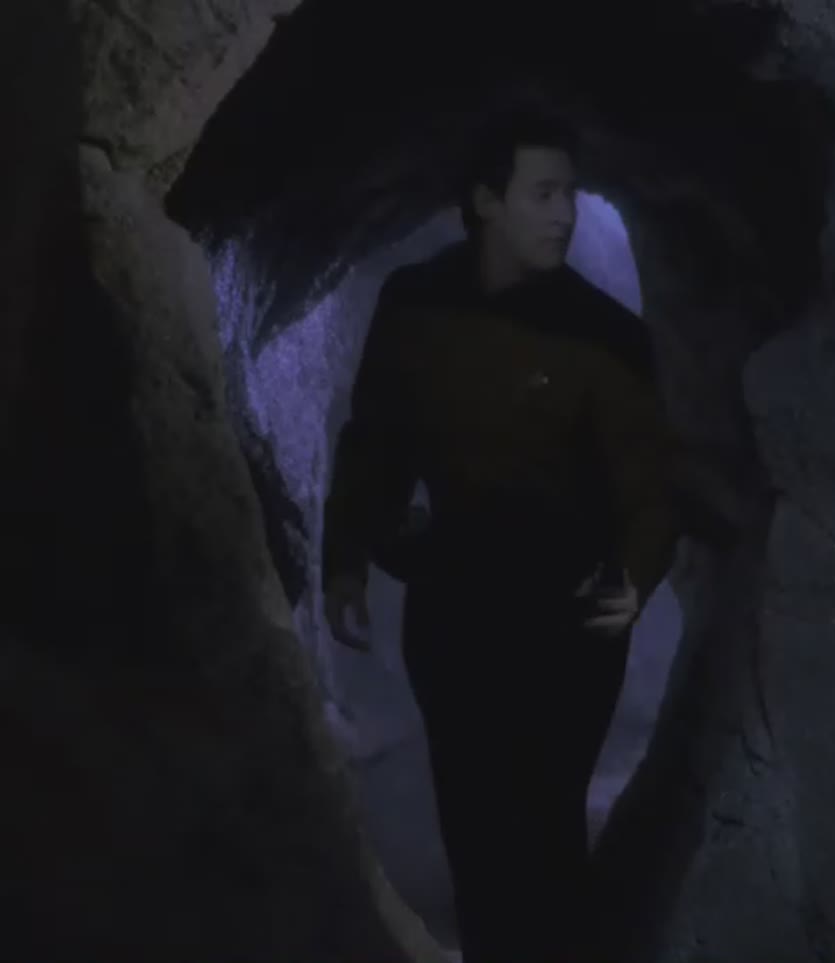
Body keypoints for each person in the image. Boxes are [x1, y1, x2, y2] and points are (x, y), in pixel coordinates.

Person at [320, 101, 680, 962]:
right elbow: (376, 441)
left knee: (546, 828)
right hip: (458, 606)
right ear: (487, 200)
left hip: (566, 622)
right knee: (476, 825)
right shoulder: (416, 306)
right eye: (543, 194)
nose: (563, 214)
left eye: (570, 194)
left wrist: (631, 576)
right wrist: (345, 559)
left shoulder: (606, 336)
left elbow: (650, 484)